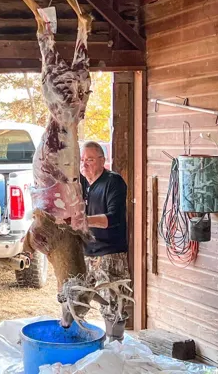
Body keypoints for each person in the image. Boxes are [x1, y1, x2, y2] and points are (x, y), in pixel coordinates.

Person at [79, 140, 130, 342]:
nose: (85, 164)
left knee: (113, 304)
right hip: (85, 252)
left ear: (102, 160)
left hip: (110, 253)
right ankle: (76, 342)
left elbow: (113, 218)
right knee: (77, 297)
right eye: (83, 160)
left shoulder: (113, 182)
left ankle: (115, 345)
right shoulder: (81, 183)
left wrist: (83, 221)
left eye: (90, 160)